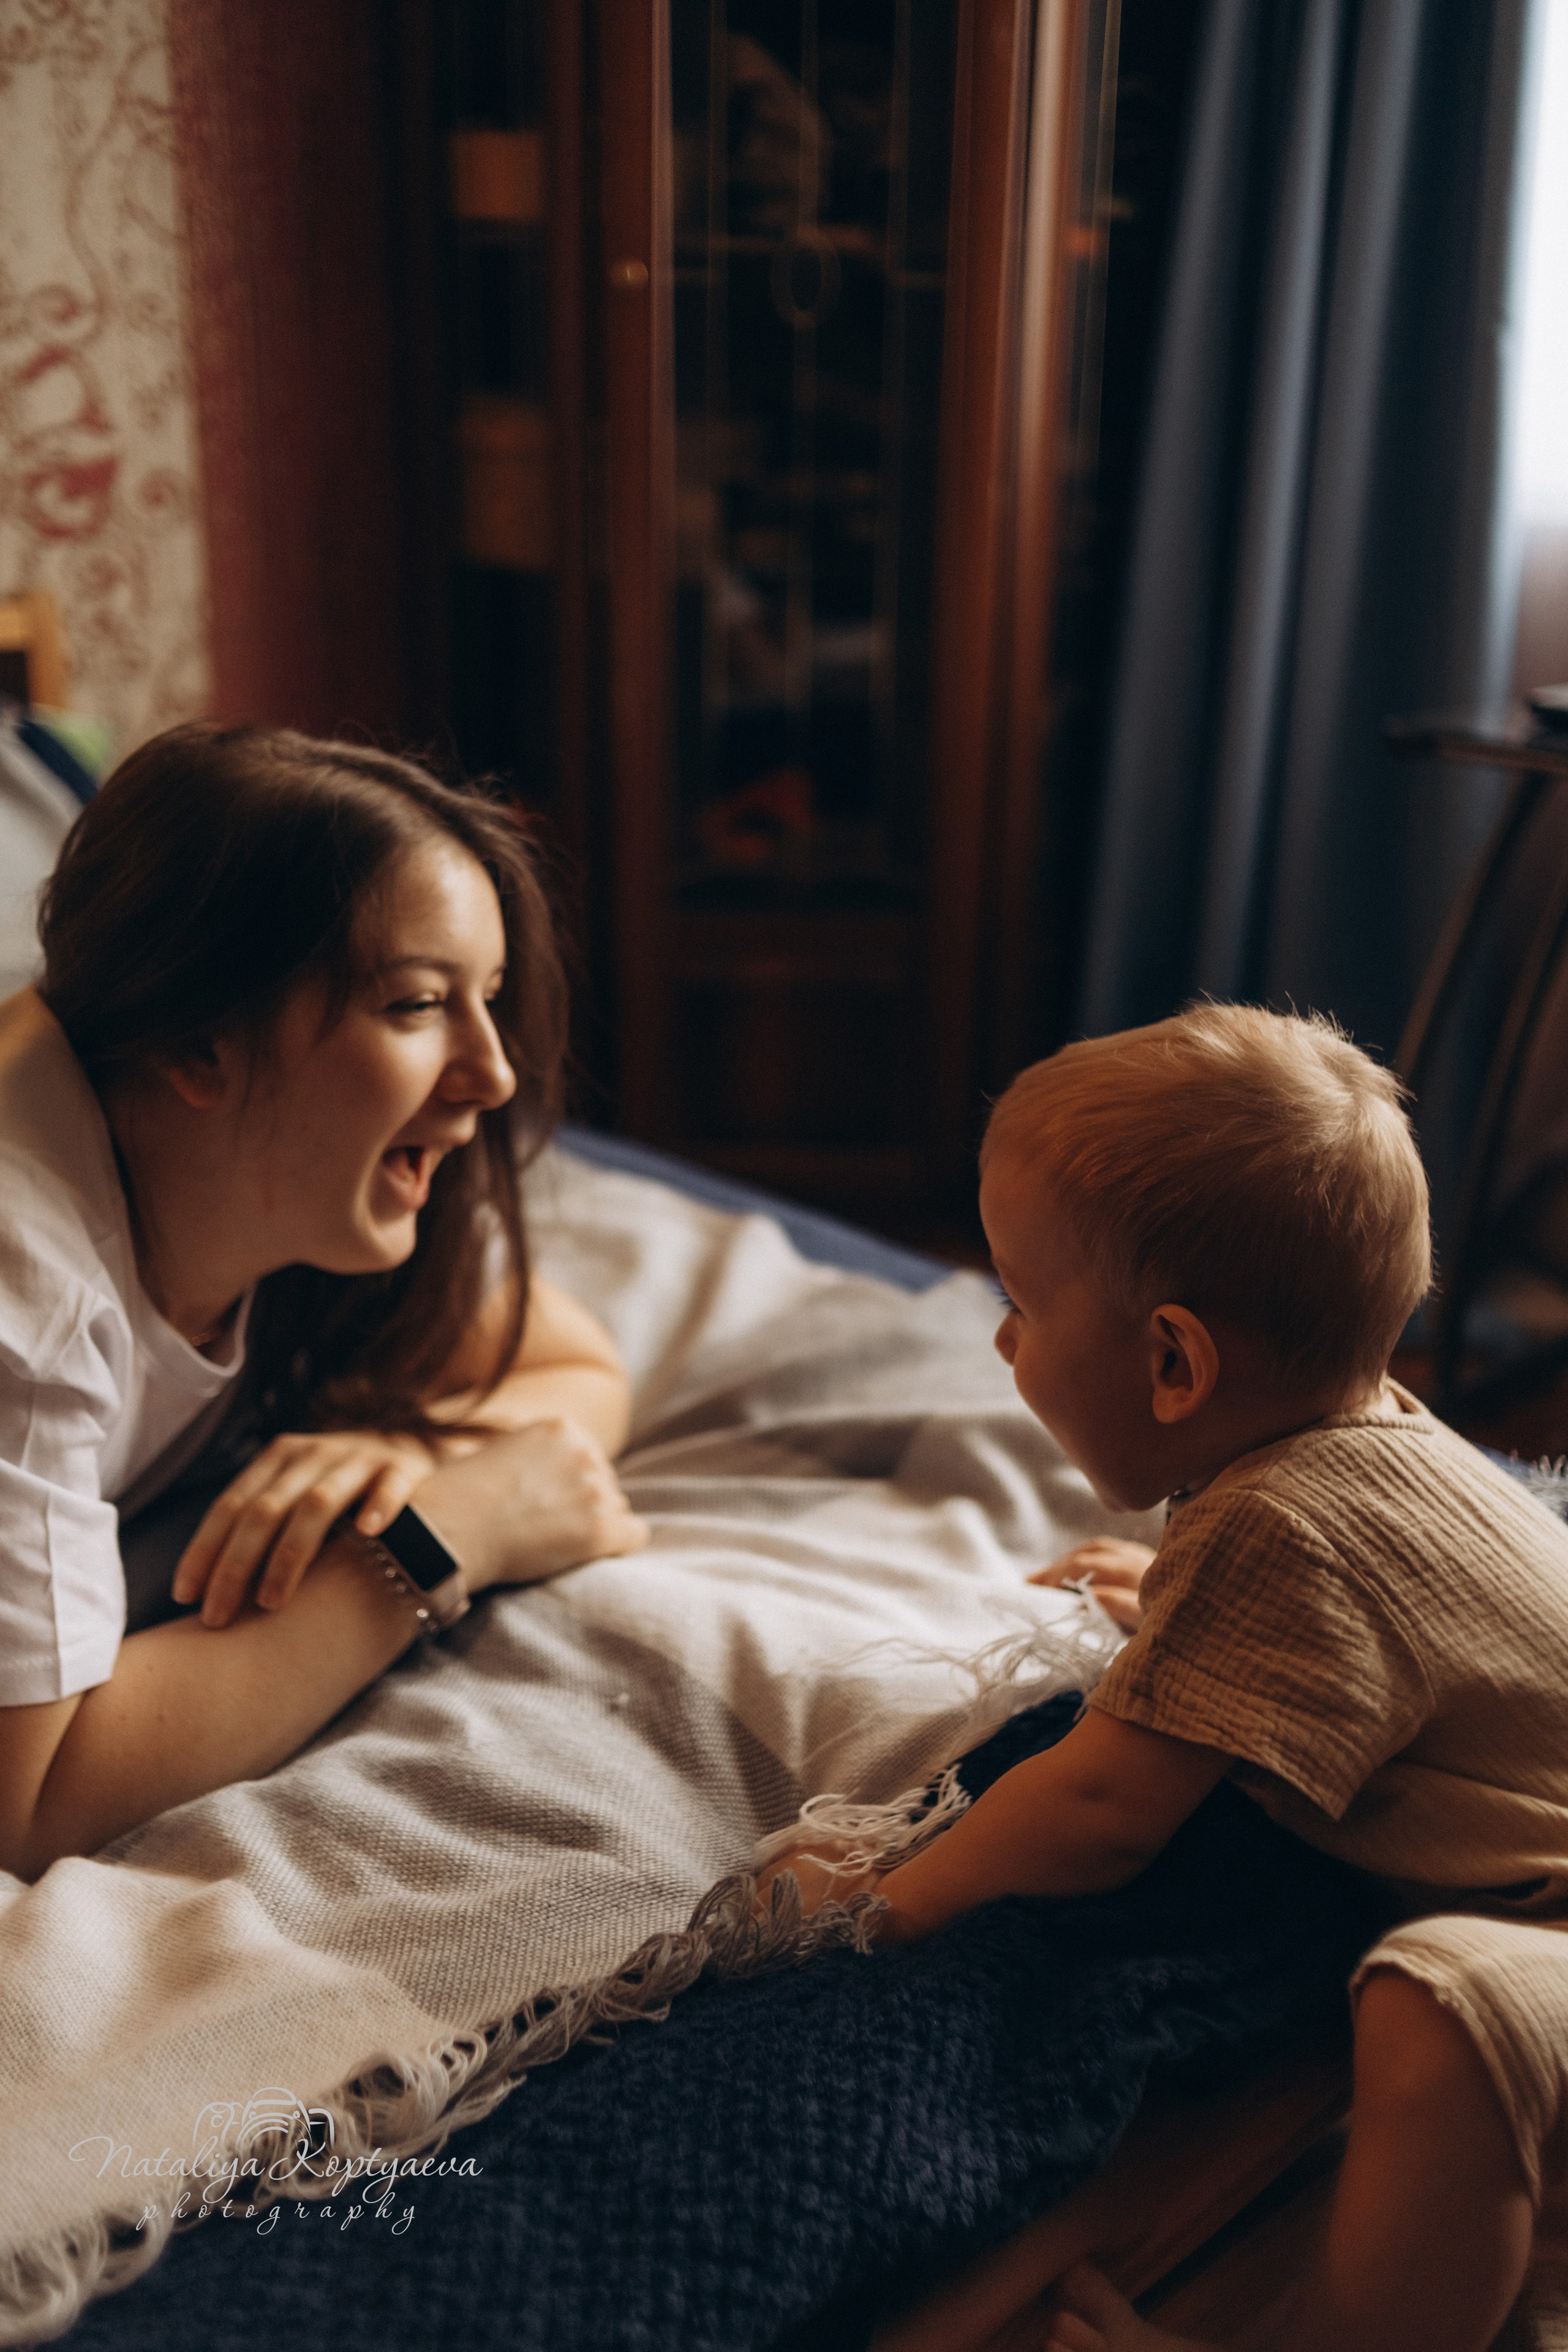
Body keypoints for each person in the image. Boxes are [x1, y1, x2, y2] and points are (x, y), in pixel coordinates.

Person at [767, 1003, 1568, 2352]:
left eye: (1019, 1307)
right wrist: (1176, 1605)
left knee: (1438, 2005)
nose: (1002, 1344)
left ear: (1174, 1364)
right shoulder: (1386, 1434)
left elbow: (1100, 1811)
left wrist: (877, 1907)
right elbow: (1373, 1638)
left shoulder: (1282, 1529)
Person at [0, 721, 648, 1884]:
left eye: (489, 998)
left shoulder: (291, 1176)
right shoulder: (26, 1292)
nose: (494, 1074)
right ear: (197, 1043)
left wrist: (397, 1450)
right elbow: (29, 1802)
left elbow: (573, 1368)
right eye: (417, 1006)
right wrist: (430, 1541)